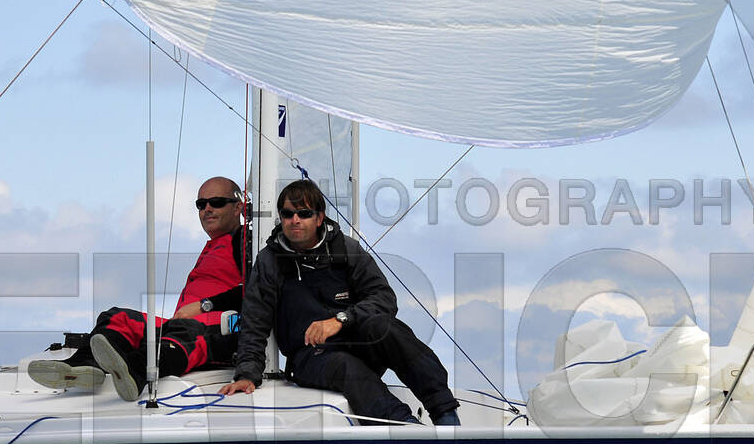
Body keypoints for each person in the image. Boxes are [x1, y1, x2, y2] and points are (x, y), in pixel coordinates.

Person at [221, 179, 460, 426]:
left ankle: (446, 415)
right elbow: (255, 320)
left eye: (304, 213)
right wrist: (247, 374)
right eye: (288, 214)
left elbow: (384, 298)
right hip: (310, 356)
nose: (295, 220)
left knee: (386, 327)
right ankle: (405, 429)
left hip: (355, 339)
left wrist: (341, 320)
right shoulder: (270, 260)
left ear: (319, 217)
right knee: (346, 367)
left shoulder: (345, 249)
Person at [30, 175, 249, 401]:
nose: (207, 209)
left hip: (219, 332)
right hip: (181, 326)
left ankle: (135, 371)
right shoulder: (215, 246)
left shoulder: (245, 240)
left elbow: (255, 289)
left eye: (216, 202)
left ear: (238, 208)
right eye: (201, 204)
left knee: (179, 336)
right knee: (116, 318)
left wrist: (204, 306)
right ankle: (84, 365)